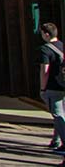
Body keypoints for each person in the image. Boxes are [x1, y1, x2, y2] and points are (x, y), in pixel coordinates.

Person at [40, 22, 65, 152]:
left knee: (58, 114)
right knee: (61, 113)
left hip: (53, 86)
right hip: (63, 85)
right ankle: (56, 140)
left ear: (46, 34)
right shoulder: (62, 46)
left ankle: (63, 141)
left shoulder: (46, 49)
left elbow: (45, 70)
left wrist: (42, 88)